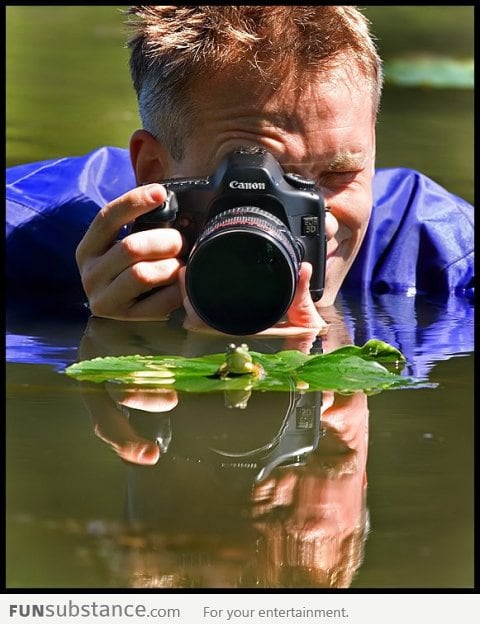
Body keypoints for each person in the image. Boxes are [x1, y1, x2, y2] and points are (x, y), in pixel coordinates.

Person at [6, 6, 474, 336]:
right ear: (153, 171)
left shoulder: (445, 259)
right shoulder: (22, 238)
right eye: (261, 178)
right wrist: (115, 339)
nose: (323, 220)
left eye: (339, 174)